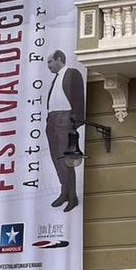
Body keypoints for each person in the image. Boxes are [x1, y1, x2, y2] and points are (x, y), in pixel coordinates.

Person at [45, 50, 85, 212]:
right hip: (52, 119)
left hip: (65, 117)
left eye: (50, 62)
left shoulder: (71, 73)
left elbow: (78, 96)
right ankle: (64, 192)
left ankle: (72, 196)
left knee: (65, 159)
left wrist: (75, 121)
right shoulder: (56, 79)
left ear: (59, 59)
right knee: (56, 158)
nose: (48, 66)